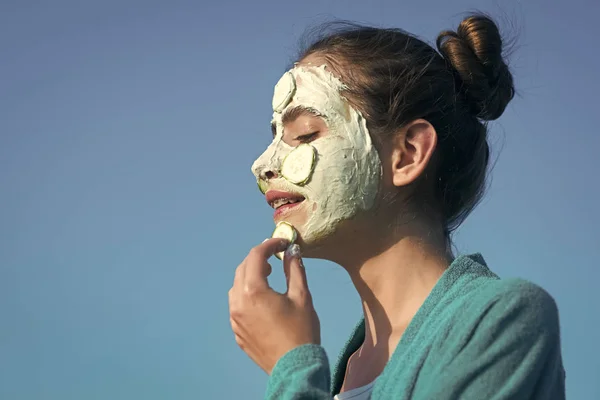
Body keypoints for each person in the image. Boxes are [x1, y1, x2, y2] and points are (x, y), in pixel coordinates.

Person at [228, 13, 566, 400]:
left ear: (407, 154)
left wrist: (291, 366)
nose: (262, 164)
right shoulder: (349, 368)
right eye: (275, 137)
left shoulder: (502, 319)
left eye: (304, 134)